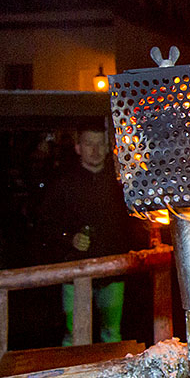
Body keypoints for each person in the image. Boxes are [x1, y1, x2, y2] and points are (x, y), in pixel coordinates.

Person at [36, 125, 145, 345]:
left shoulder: (121, 183)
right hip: (76, 271)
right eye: (88, 144)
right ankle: (75, 368)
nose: (95, 150)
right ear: (78, 148)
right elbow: (43, 223)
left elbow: (136, 219)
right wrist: (69, 238)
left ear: (108, 147)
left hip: (112, 271)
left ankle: (113, 368)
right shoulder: (64, 183)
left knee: (112, 334)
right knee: (75, 336)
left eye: (100, 144)